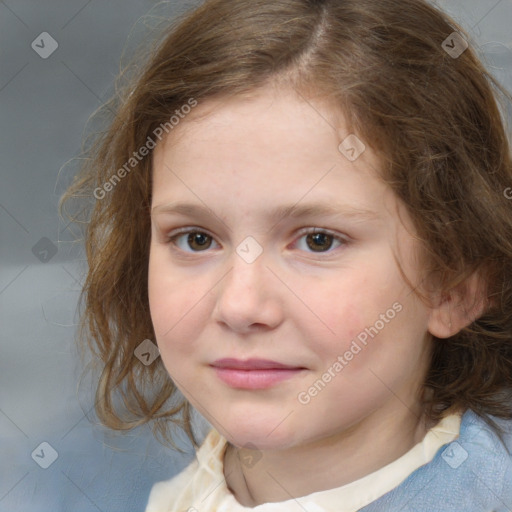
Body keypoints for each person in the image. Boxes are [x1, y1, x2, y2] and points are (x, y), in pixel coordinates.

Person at [59, 0, 512, 510]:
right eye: (197, 239)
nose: (240, 306)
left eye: (318, 240)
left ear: (456, 285)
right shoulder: (160, 488)